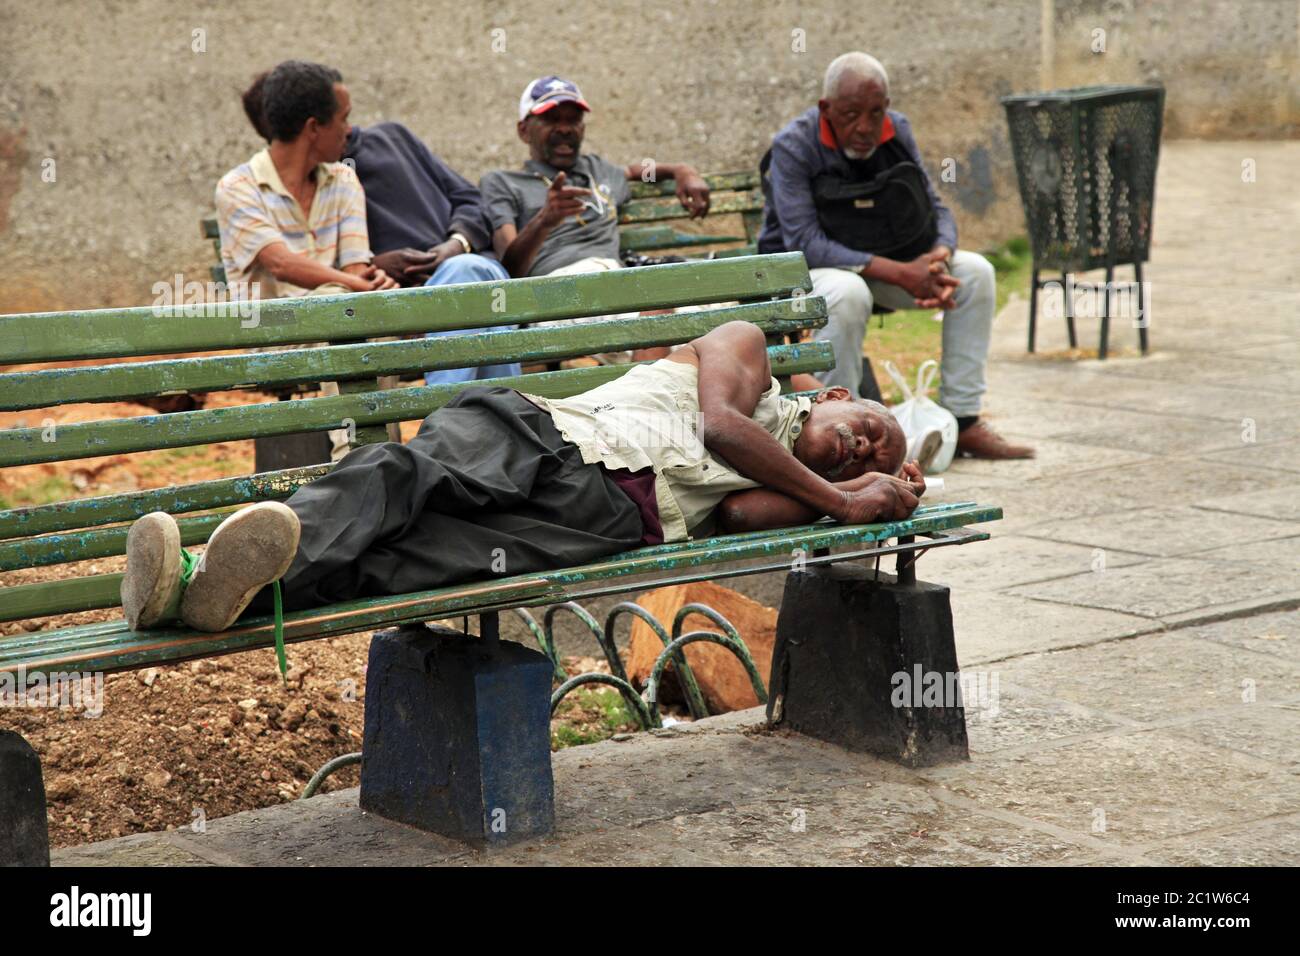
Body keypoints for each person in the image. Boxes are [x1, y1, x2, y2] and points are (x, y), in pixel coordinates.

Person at [120, 321, 925, 633]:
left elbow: (745, 515)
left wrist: (848, 502)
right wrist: (844, 502)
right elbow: (721, 425)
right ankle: (196, 573)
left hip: (608, 513)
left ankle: (220, 593)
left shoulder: (796, 482)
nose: (862, 451)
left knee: (415, 560)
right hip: (543, 433)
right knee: (405, 476)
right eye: (870, 433)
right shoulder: (745, 348)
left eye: (875, 462)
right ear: (840, 395)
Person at [758, 52, 1034, 459]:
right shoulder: (794, 146)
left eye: (876, 112)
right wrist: (904, 274)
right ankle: (841, 430)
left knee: (975, 273)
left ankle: (963, 419)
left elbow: (935, 206)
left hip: (887, 263)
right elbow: (805, 242)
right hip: (803, 274)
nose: (866, 127)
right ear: (826, 109)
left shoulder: (896, 131)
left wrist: (939, 255)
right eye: (851, 114)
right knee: (848, 292)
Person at [239, 71, 517, 386]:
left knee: (468, 281)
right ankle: (473, 423)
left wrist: (456, 244)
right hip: (390, 303)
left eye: (345, 116)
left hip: (458, 274)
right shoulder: (307, 184)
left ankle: (451, 422)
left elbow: (470, 200)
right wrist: (381, 265)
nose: (347, 127)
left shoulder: (389, 141)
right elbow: (317, 270)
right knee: (471, 301)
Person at [480, 76, 711, 280]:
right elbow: (508, 271)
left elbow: (634, 172)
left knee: (731, 315)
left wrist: (682, 171)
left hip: (617, 279)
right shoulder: (502, 182)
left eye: (573, 119)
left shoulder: (598, 169)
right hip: (557, 292)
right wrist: (544, 221)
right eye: (551, 119)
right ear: (524, 131)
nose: (565, 129)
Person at [216, 61, 397, 300]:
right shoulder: (237, 187)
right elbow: (280, 263)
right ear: (313, 128)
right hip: (274, 332)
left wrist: (369, 283)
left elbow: (357, 268)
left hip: (341, 322)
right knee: (336, 299)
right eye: (343, 119)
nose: (349, 130)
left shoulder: (344, 180)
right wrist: (353, 284)